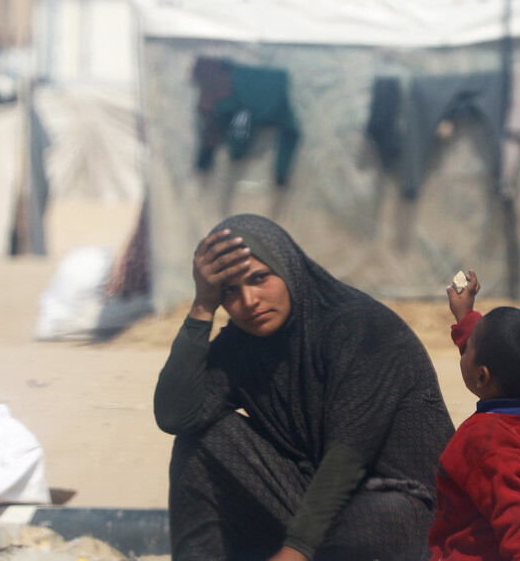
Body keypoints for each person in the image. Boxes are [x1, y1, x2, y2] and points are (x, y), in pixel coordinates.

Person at [156, 214, 455, 561]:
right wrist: (201, 308)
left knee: (382, 517)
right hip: (320, 504)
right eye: (229, 291)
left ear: (287, 267)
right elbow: (176, 416)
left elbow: (347, 458)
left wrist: (295, 551)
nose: (249, 300)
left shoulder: (362, 328)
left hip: (416, 509)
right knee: (200, 441)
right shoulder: (241, 344)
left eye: (259, 278)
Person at [428, 270, 520, 561]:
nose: (464, 353)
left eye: (468, 351)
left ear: (482, 376)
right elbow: (498, 360)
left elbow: (517, 524)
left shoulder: (488, 443)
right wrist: (466, 317)